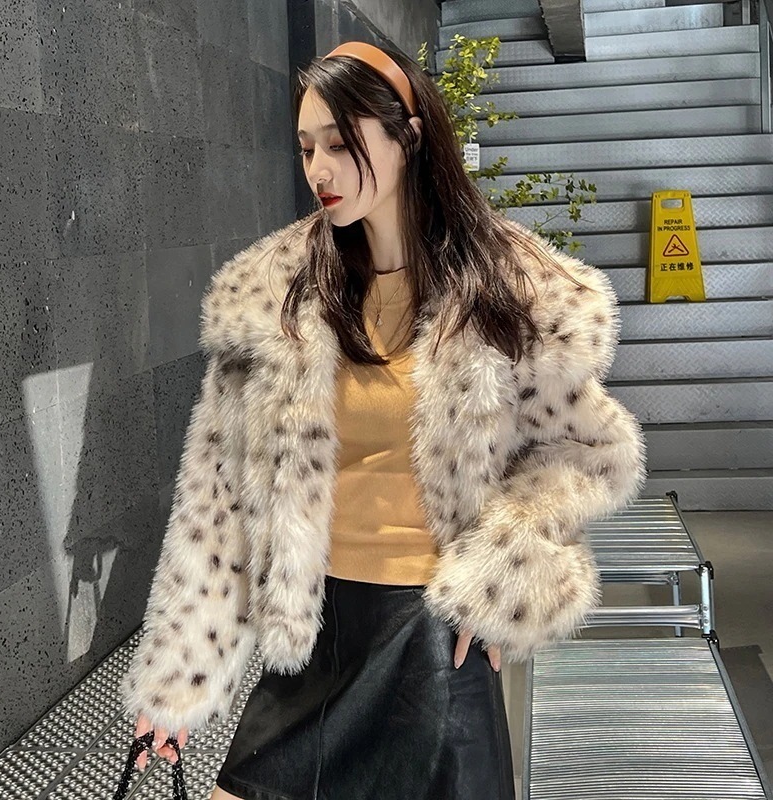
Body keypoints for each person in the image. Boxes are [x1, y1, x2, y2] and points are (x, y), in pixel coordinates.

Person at [120, 41, 647, 800]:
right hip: (317, 635)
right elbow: (217, 494)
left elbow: (592, 452)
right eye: (307, 147)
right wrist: (178, 679)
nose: (319, 169)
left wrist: (506, 563)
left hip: (430, 639)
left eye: (341, 144)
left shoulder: (507, 291)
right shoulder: (277, 295)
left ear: (408, 137)